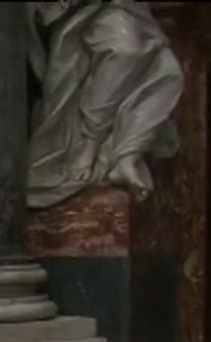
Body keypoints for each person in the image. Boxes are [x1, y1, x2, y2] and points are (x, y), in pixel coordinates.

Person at [26, 0, 183, 208]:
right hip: (82, 12)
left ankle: (126, 155)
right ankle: (89, 143)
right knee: (126, 48)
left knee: (168, 71)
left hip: (127, 8)